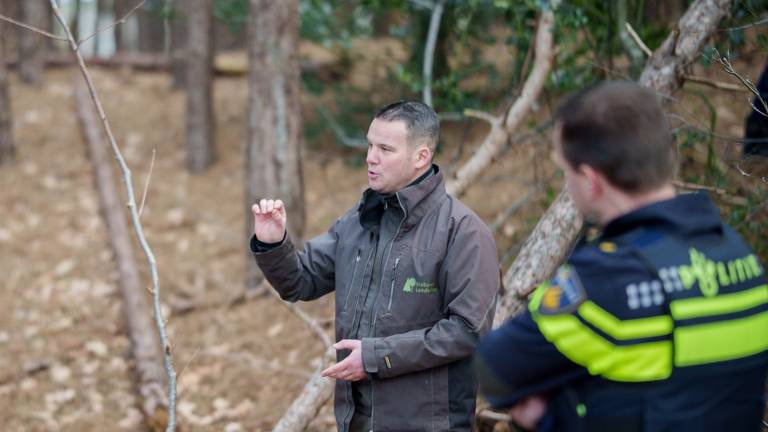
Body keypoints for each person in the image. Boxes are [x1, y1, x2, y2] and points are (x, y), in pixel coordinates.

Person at [475, 81, 768, 432]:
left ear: (590, 180)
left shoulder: (607, 277)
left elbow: (492, 372)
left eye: (566, 173)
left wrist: (553, 408)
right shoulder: (740, 257)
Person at [250, 101, 500, 432]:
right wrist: (272, 243)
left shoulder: (463, 231)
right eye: (370, 145)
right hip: (355, 422)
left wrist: (375, 357)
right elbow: (299, 281)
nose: (370, 157)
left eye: (385, 148)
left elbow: (467, 331)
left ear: (421, 157)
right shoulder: (358, 221)